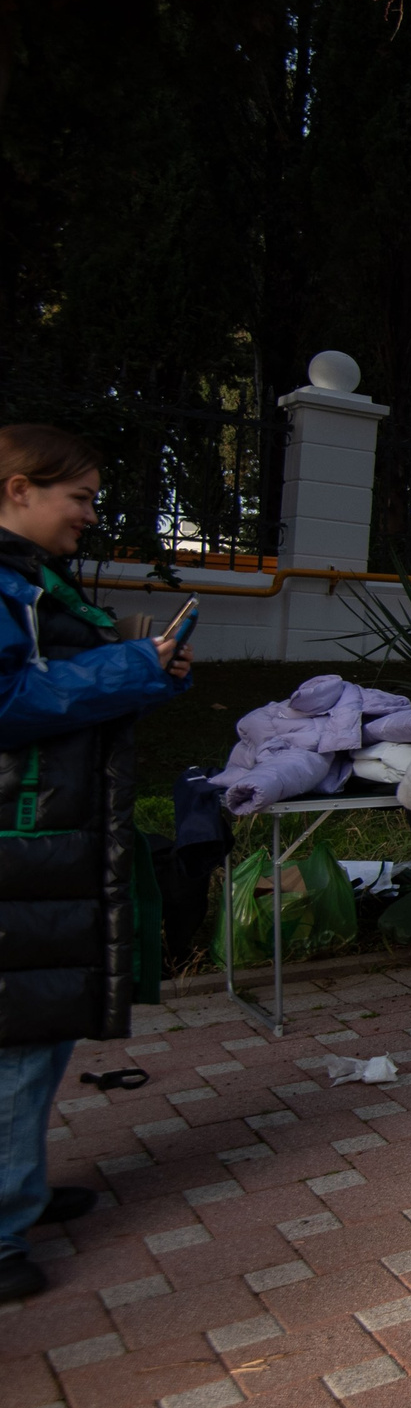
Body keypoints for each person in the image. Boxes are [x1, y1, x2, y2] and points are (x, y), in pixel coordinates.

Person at [0, 423, 193, 1303]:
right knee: (18, 1035)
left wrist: (151, 670)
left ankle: (20, 1189)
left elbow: (60, 685)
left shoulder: (33, 580)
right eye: (77, 496)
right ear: (19, 488)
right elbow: (10, 698)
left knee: (38, 1028)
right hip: (22, 840)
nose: (88, 514)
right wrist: (130, 665)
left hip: (48, 836)